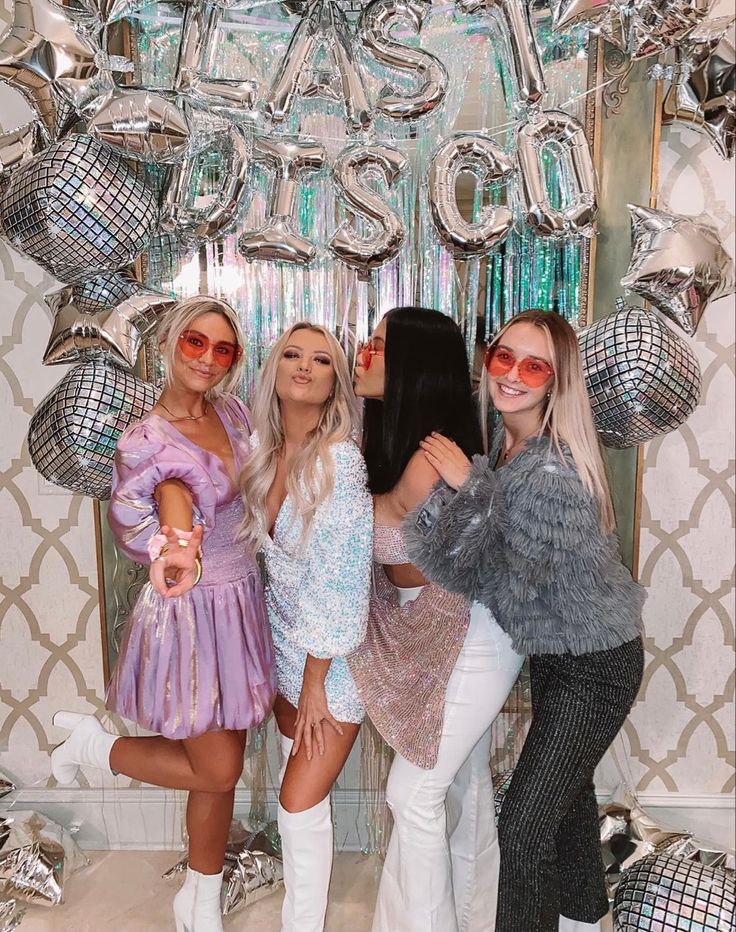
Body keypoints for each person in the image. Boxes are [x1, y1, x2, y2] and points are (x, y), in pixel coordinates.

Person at [406, 308, 645, 932]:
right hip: (564, 661)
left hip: (597, 669)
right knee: (565, 811)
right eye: (502, 357)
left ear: (555, 382)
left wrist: (470, 487)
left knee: (524, 825)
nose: (511, 374)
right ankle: (585, 923)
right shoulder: (512, 449)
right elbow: (488, 562)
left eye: (533, 365)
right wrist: (473, 487)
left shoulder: (552, 473)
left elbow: (510, 590)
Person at [51, 296, 276, 932]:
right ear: (170, 347)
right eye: (194, 344)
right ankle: (98, 747)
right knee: (219, 763)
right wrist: (176, 550)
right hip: (190, 610)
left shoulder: (234, 415)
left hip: (240, 602)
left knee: (219, 768)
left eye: (222, 348)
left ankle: (199, 903)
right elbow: (143, 521)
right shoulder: (147, 439)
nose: (207, 358)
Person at [348, 306, 524, 932]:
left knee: (412, 792)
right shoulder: (383, 438)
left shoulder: (434, 456)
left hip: (471, 631)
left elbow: (424, 552)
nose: (362, 353)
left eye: (377, 344)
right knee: (462, 784)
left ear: (414, 367)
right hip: (428, 625)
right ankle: (475, 918)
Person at [239, 322, 372, 932]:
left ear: (334, 383)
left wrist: (316, 680)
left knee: (295, 806)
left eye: (320, 361)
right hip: (284, 649)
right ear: (274, 371)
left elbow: (342, 585)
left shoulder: (340, 464)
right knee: (304, 806)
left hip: (331, 663)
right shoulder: (260, 456)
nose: (304, 366)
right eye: (292, 354)